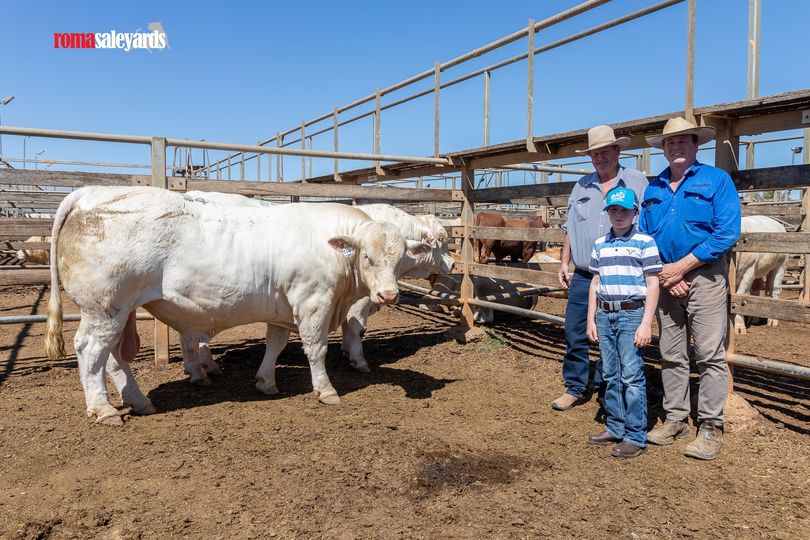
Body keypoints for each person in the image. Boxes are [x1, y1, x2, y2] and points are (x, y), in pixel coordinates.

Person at [640, 117, 741, 460]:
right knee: (671, 352)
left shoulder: (716, 180)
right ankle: (676, 418)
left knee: (709, 354)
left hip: (706, 278)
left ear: (697, 146)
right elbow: (644, 236)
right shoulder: (654, 188)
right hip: (667, 277)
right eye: (671, 143)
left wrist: (683, 267)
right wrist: (667, 272)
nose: (677, 147)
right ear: (664, 149)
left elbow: (726, 233)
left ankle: (711, 426)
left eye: (684, 141)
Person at [553, 125, 648, 411]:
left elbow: (646, 222)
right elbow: (570, 225)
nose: (600, 157)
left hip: (621, 273)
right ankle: (576, 386)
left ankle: (609, 388)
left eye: (605, 151)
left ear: (618, 151)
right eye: (595, 153)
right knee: (575, 331)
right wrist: (564, 260)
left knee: (614, 332)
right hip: (584, 272)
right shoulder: (581, 185)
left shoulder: (636, 181)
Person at [585, 187, 661, 458]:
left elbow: (653, 283)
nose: (618, 215)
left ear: (635, 213)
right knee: (610, 373)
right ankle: (615, 425)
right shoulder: (600, 244)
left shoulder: (645, 242)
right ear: (607, 213)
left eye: (624, 210)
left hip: (631, 313)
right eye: (613, 210)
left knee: (631, 374)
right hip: (605, 313)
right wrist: (591, 318)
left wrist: (646, 323)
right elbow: (595, 282)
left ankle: (635, 434)